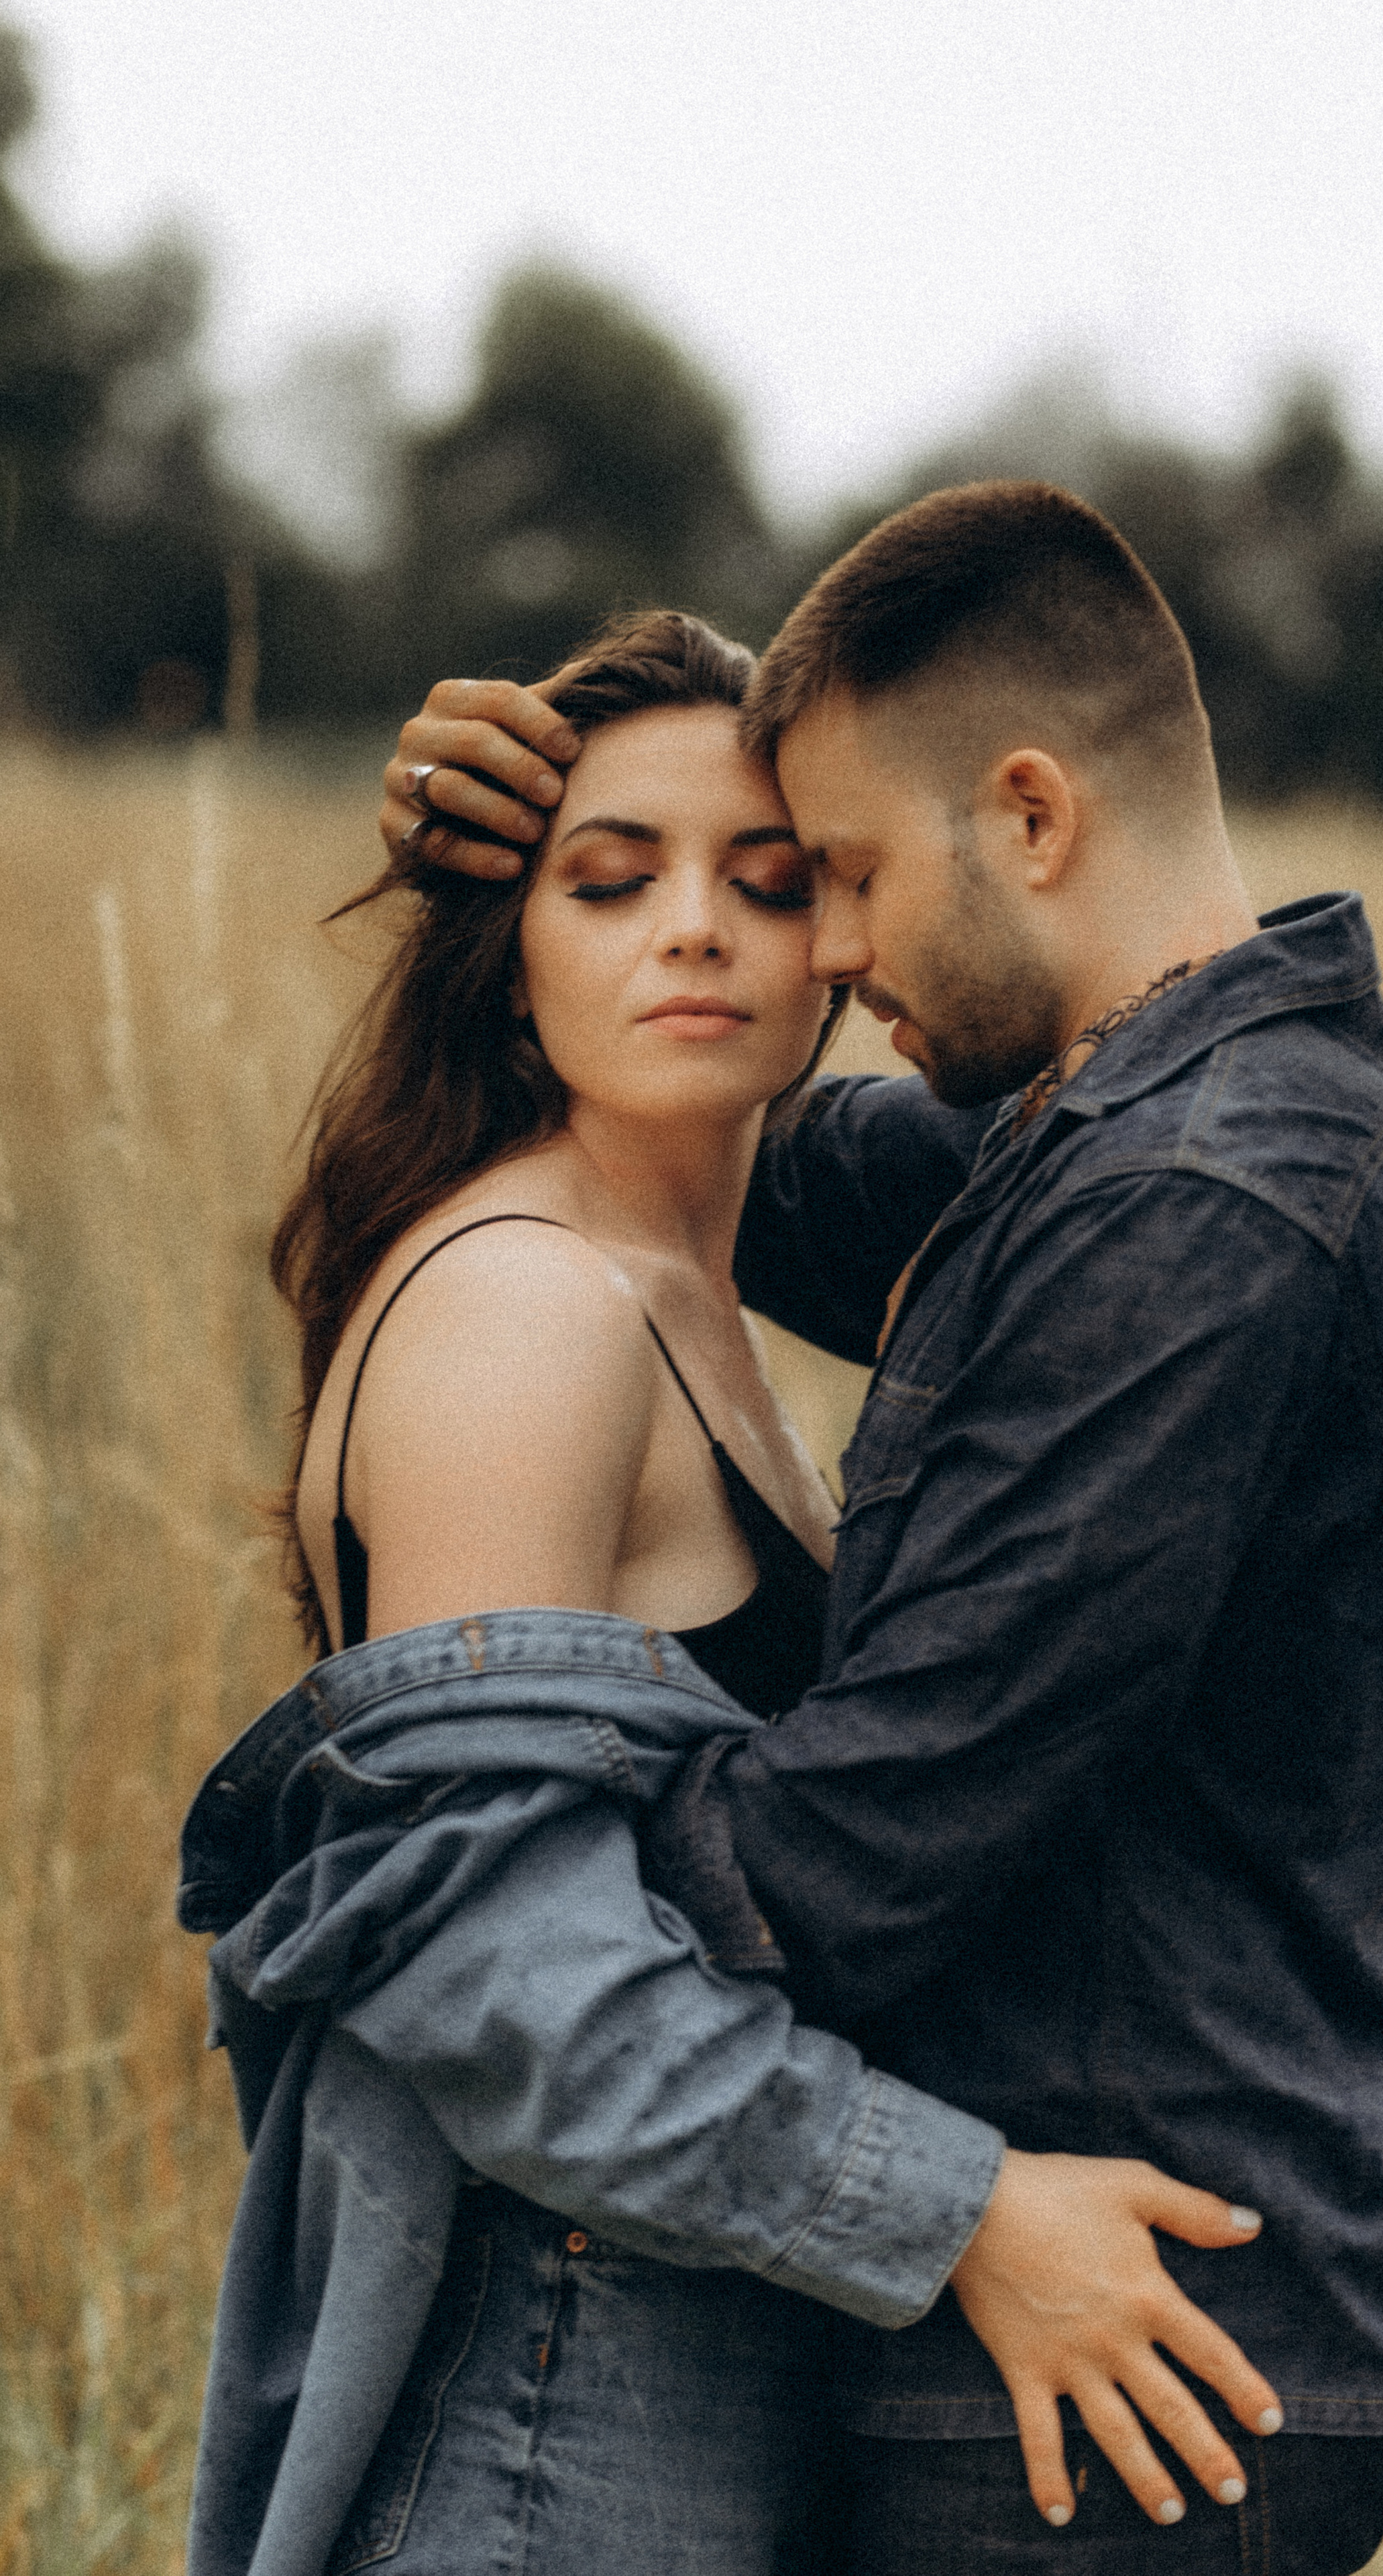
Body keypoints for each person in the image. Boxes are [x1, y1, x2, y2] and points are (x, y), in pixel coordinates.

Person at [383, 480, 1383, 2573]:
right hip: (1131, 2297)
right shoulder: (1101, 1128)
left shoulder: (1197, 1205)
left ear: (1037, 818)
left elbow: (901, 1808)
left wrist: (483, 1938)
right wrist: (543, 879)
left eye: (849, 876)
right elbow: (730, 1160)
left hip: (1131, 2344)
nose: (835, 946)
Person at [180, 606, 1280, 2576]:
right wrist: (965, 2212)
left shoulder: (683, 1274)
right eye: (609, 882)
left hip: (669, 2373)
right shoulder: (531, 1309)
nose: (693, 927)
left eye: (773, 884)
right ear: (508, 961)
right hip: (544, 2424)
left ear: (843, 950)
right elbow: (494, 1975)